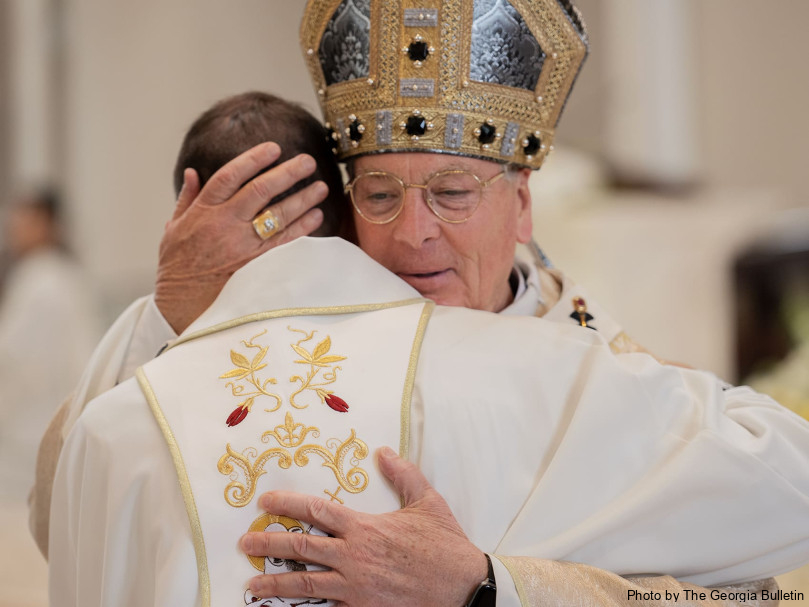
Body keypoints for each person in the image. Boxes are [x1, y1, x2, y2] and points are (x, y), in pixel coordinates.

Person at [38, 1, 809, 605]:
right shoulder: (258, 363)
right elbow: (72, 518)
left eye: (450, 192)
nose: (413, 234)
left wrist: (488, 586)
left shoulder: (576, 366)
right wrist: (171, 311)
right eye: (377, 193)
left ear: (522, 203)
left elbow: (763, 556)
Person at [0, 188, 101, 501]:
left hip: (33, 424)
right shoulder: (64, 274)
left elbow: (13, 356)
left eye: (23, 220)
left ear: (47, 224)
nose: (13, 229)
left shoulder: (41, 279)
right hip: (57, 419)